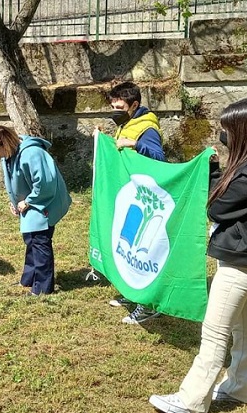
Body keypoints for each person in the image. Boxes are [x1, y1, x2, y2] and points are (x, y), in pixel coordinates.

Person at [149, 97, 247, 413]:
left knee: (214, 333)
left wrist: (210, 171)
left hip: (242, 261)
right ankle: (239, 388)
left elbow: (218, 205)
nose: (222, 133)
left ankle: (191, 401)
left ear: (246, 131)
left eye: (226, 129)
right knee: (242, 328)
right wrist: (217, 169)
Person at [0, 125, 72, 296]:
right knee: (31, 239)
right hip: (29, 203)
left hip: (44, 202)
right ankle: (29, 278)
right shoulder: (9, 154)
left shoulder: (32, 153)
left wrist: (28, 201)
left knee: (40, 241)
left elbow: (45, 183)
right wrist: (14, 201)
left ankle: (42, 288)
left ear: (6, 144)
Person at [107, 81, 165, 324]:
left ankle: (148, 304)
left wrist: (135, 144)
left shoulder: (147, 129)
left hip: (146, 199)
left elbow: (158, 157)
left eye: (119, 106)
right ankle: (132, 292)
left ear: (134, 105)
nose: (115, 110)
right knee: (127, 244)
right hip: (131, 196)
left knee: (144, 250)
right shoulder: (128, 123)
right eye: (112, 106)